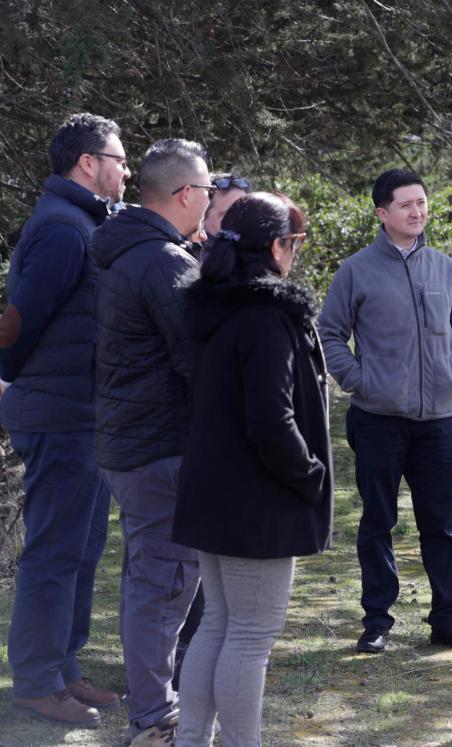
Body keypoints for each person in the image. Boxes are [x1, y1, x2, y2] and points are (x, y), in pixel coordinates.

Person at [173, 192, 332, 747]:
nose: (297, 254)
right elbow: (272, 419)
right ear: (275, 247)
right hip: (254, 503)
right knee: (249, 634)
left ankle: (193, 739)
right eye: (295, 243)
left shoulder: (218, 304)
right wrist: (310, 475)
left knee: (220, 623)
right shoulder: (264, 314)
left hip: (214, 492)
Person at [319, 168, 452, 654]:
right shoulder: (356, 270)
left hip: (438, 421)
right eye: (406, 204)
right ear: (382, 213)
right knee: (377, 522)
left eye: (422, 203)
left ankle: (448, 620)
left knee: (442, 524)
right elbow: (329, 334)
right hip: (377, 420)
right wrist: (358, 380)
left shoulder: (443, 267)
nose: (417, 212)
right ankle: (376, 620)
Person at [0, 113, 128, 727]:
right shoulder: (61, 228)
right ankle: (35, 681)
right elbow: (18, 321)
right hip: (58, 414)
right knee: (54, 550)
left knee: (83, 546)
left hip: (85, 412)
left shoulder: (85, 222)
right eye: (119, 158)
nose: (126, 169)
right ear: (88, 163)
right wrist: (11, 379)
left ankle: (64, 668)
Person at [92, 138, 211, 745]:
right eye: (208, 189)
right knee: (163, 586)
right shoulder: (163, 263)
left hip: (132, 442)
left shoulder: (131, 251)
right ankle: (152, 719)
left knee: (152, 578)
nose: (211, 199)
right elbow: (198, 357)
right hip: (158, 447)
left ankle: (151, 709)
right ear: (186, 195)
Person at [172, 171, 253, 684]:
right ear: (207, 218)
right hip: (184, 437)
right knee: (182, 565)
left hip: (228, 444)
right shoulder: (187, 274)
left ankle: (207, 658)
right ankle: (178, 665)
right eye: (230, 214)